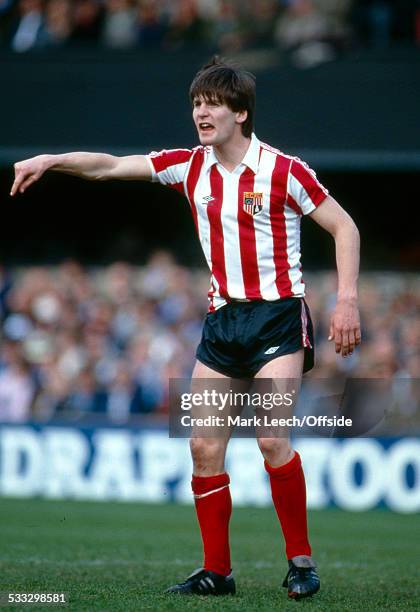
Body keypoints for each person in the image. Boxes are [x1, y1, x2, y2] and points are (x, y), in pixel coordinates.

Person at [11, 57, 361, 600]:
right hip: (222, 320)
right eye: (197, 102)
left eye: (214, 102)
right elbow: (107, 167)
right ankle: (216, 572)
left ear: (240, 113)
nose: (202, 111)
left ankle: (300, 562)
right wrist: (53, 159)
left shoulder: (285, 170)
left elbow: (345, 226)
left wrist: (346, 300)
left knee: (270, 437)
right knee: (201, 446)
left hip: (278, 315)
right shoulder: (188, 167)